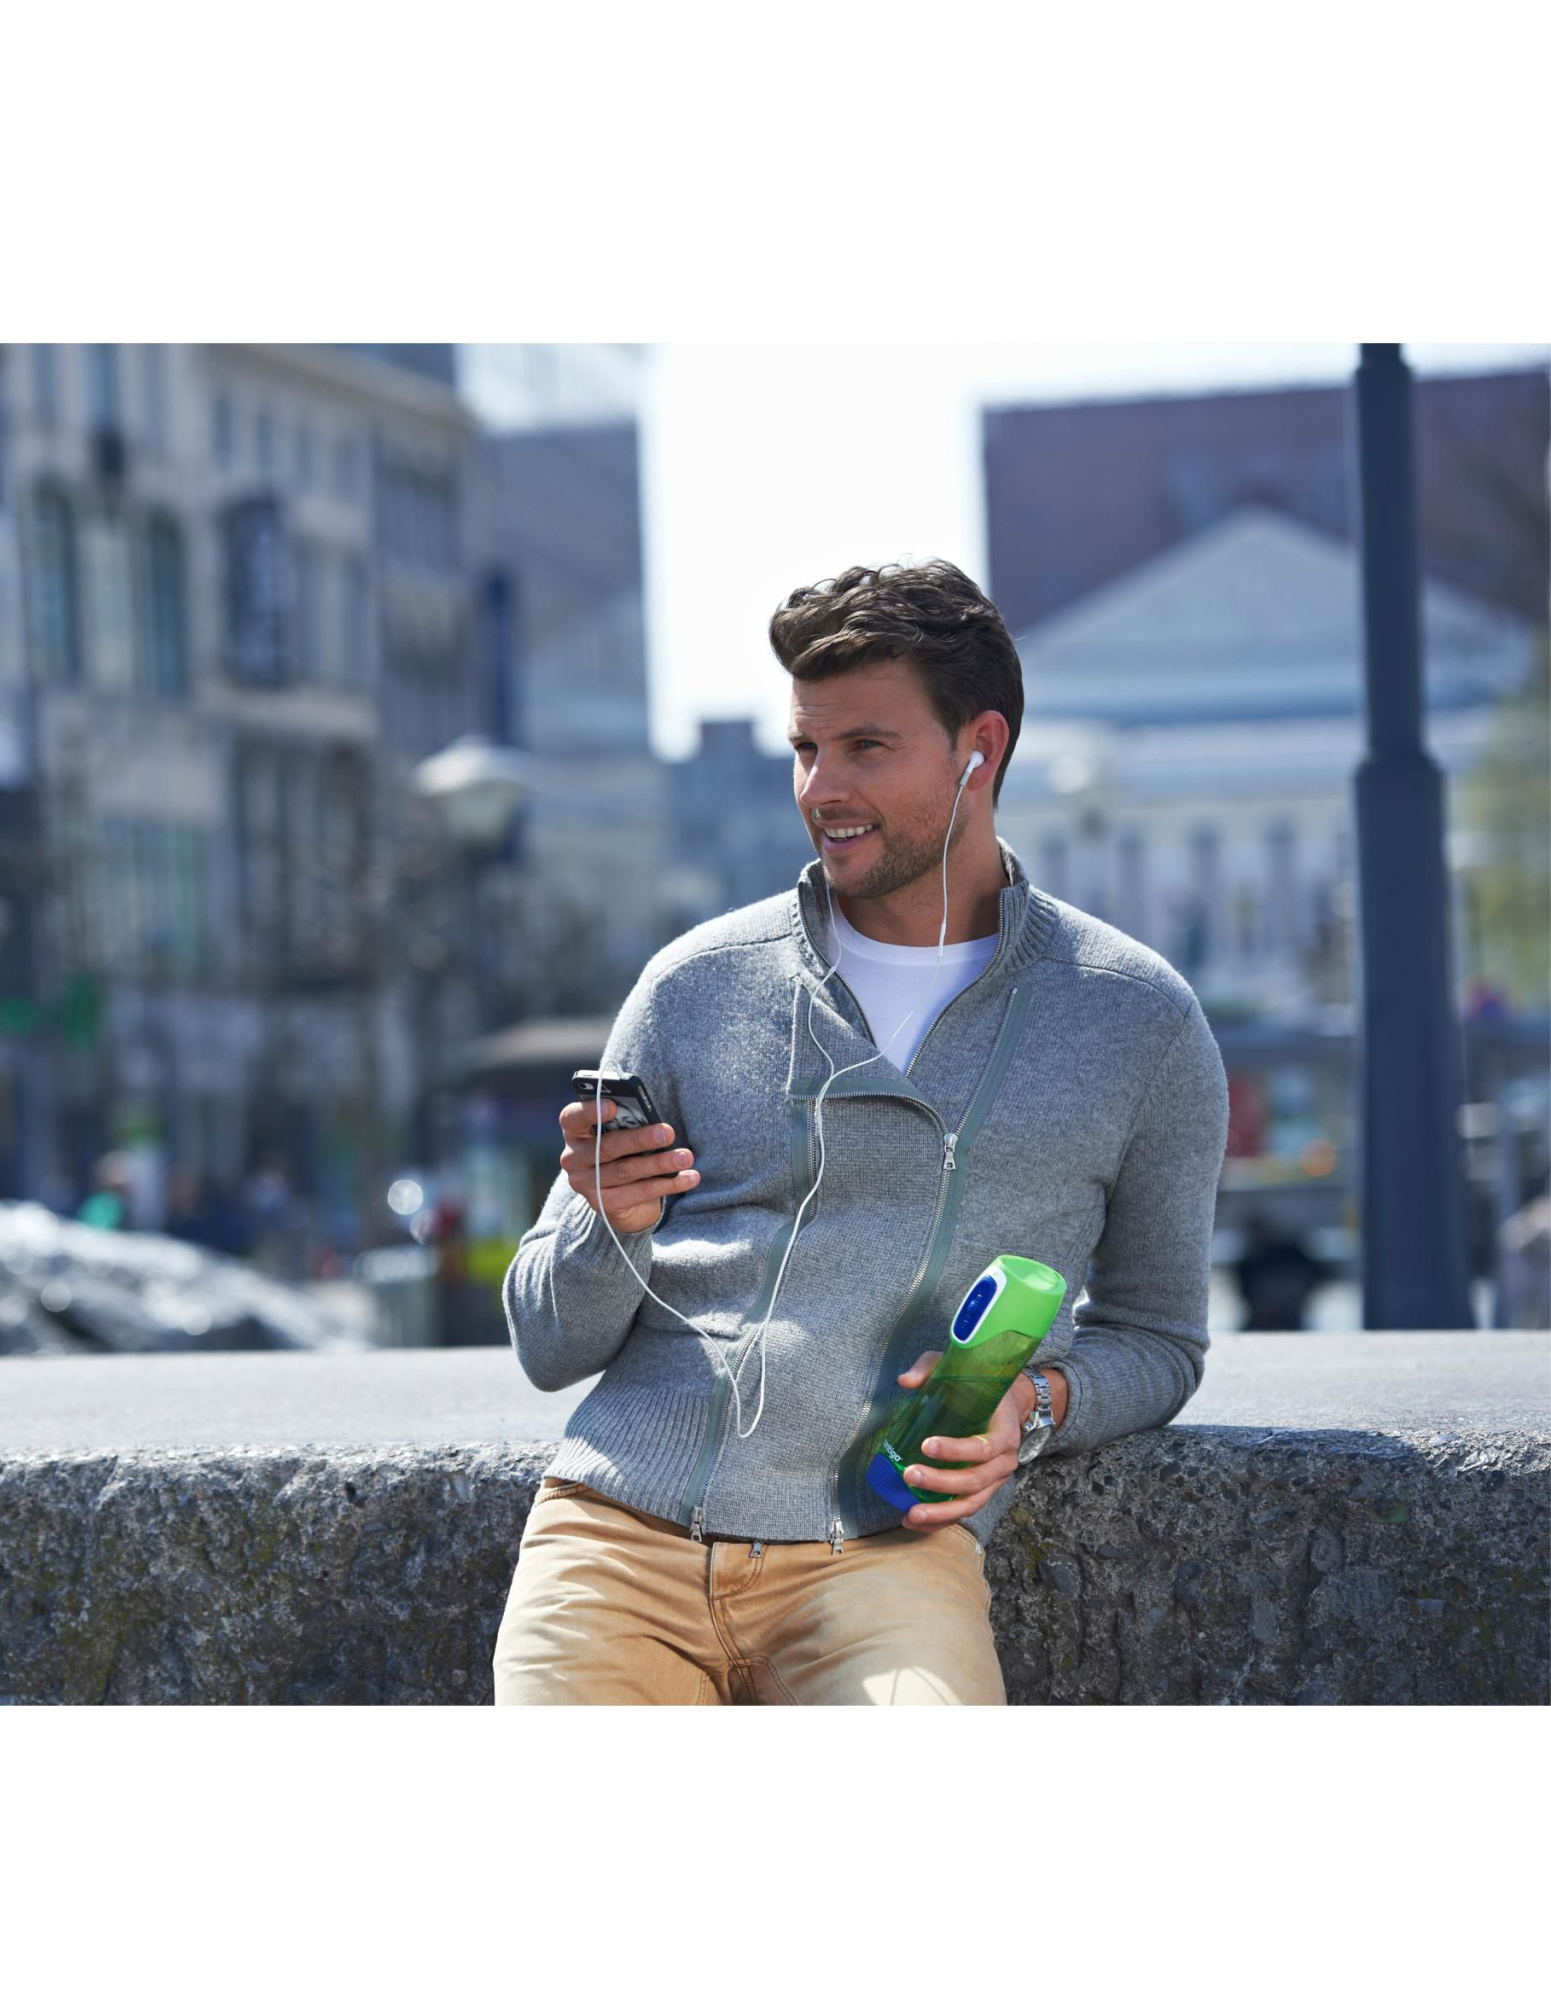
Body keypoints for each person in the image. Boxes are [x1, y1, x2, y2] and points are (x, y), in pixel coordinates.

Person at [493, 560, 1230, 1706]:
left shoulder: (1135, 1019)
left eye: (864, 748)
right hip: (613, 1536)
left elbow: (1158, 1335)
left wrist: (1030, 1407)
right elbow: (546, 1341)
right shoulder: (693, 985)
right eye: (804, 748)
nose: (819, 787)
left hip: (884, 1559)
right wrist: (609, 1224)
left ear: (978, 748)